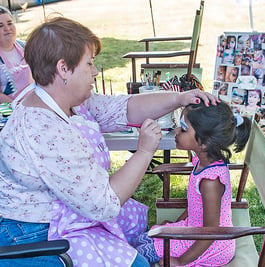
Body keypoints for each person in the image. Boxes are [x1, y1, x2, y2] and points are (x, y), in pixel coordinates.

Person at [0, 17, 218, 267]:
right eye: (89, 63)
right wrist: (145, 151)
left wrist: (179, 98)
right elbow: (104, 203)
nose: (94, 71)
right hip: (34, 232)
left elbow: (123, 108)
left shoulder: (62, 98)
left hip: (69, 213)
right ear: (63, 69)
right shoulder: (42, 128)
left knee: (137, 239)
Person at [134, 101, 251, 266]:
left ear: (204, 142)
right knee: (141, 239)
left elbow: (212, 231)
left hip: (212, 244)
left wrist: (181, 261)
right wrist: (176, 224)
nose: (176, 131)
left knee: (140, 252)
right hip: (196, 230)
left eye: (183, 128)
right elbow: (196, 206)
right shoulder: (203, 160)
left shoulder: (211, 182)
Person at [0, 6, 33, 104]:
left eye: (10, 23)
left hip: (36, 101)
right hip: (12, 108)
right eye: (0, 26)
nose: (7, 28)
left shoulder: (27, 47)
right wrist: (18, 106)